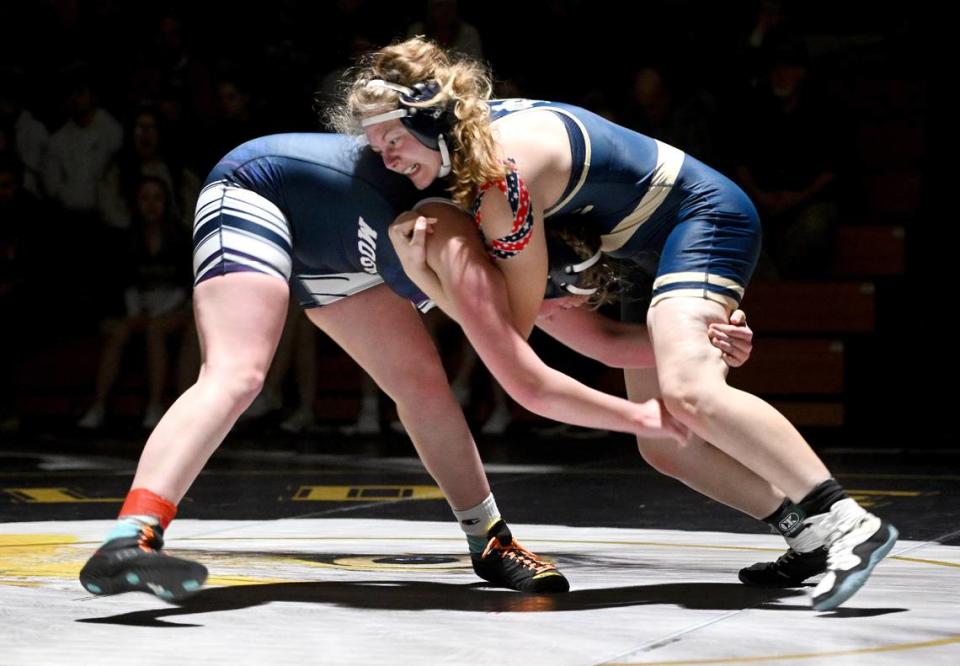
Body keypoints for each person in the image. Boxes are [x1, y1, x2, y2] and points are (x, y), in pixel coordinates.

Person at [334, 37, 898, 611]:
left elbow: (510, 335)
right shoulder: (477, 139)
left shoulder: (498, 181)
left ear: (431, 122)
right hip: (645, 248)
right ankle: (804, 531)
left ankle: (846, 522)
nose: (389, 161)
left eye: (394, 140)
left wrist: (420, 277)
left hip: (702, 220)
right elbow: (597, 344)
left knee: (689, 392)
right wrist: (689, 340)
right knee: (666, 445)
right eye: (377, 148)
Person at [79, 132, 603, 602]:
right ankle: (132, 535)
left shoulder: (489, 251)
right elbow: (528, 380)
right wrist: (647, 417)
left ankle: (490, 540)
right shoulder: (456, 236)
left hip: (342, 251)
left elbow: (600, 343)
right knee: (237, 372)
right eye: (563, 299)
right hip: (261, 191)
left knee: (423, 385)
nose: (558, 313)